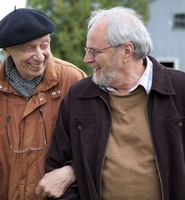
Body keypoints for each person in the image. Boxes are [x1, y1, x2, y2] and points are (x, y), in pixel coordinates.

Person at [44, 6, 185, 200]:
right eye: (87, 50)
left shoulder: (180, 89)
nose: (87, 59)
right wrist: (72, 171)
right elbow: (57, 167)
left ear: (127, 51)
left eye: (94, 51)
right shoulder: (79, 96)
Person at [0, 7, 87, 200]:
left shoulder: (73, 81)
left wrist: (72, 171)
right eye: (29, 48)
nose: (39, 56)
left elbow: (98, 143)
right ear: (7, 51)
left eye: (44, 45)